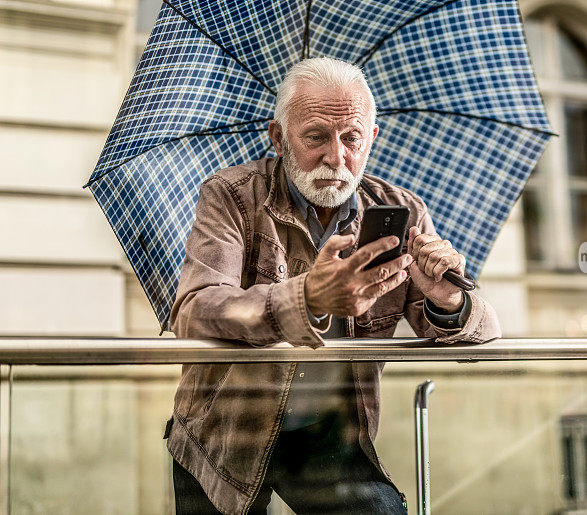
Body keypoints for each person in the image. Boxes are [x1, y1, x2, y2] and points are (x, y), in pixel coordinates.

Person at [165, 57, 501, 515]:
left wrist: (449, 299)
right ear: (279, 138)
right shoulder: (231, 194)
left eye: (351, 138)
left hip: (330, 435)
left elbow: (482, 331)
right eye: (316, 136)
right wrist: (308, 299)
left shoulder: (402, 210)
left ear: (372, 140)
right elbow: (195, 310)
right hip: (226, 431)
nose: (336, 157)